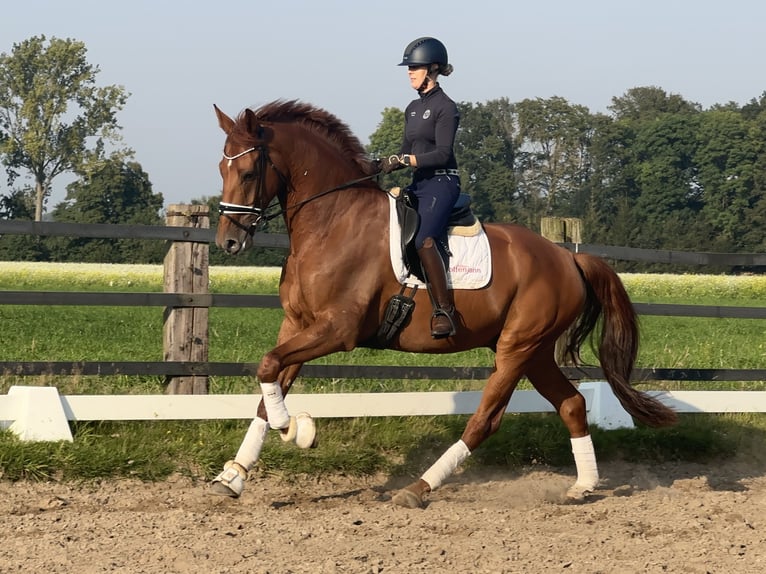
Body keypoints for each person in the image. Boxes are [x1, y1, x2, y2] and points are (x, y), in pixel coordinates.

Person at [377, 37, 461, 339]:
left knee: (424, 239)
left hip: (442, 182)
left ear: (433, 68)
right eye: (408, 67)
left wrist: (406, 159)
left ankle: (444, 311)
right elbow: (404, 150)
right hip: (418, 183)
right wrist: (382, 164)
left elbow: (442, 153)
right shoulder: (412, 108)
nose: (409, 72)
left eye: (415, 67)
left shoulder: (446, 108)